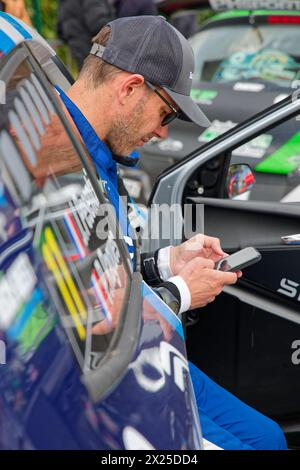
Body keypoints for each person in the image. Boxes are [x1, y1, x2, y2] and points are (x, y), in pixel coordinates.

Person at [54, 15, 287, 450]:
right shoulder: (58, 168)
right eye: (166, 113)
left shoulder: (94, 153)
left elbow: (106, 265)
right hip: (111, 384)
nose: (162, 131)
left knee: (268, 437)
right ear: (129, 87)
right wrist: (178, 292)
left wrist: (166, 263)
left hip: (147, 353)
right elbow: (79, 329)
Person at [57, 0, 116, 71]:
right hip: (95, 47)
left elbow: (60, 30)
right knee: (103, 76)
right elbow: (97, 23)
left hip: (79, 47)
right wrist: (117, 28)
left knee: (87, 77)